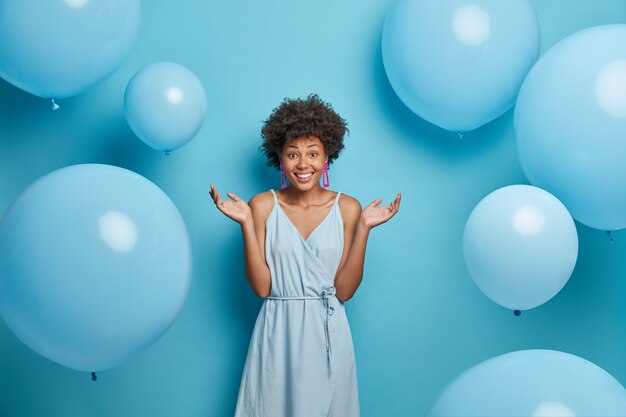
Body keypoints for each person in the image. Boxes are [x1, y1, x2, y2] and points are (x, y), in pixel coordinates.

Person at [210, 94, 401, 417]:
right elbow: (261, 288)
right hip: (277, 331)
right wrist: (245, 223)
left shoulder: (348, 208)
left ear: (327, 157)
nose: (303, 164)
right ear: (279, 159)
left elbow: (344, 291)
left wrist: (365, 228)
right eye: (292, 154)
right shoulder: (262, 206)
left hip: (329, 331)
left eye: (313, 154)